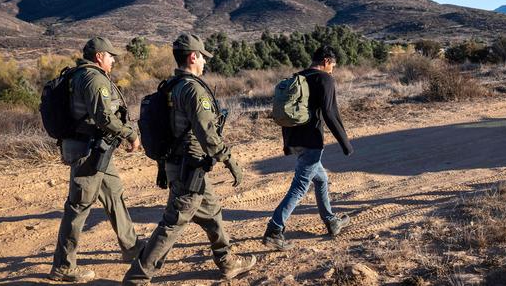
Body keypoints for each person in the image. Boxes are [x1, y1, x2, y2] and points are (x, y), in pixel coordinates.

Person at [123, 33, 256, 285]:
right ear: (192, 56)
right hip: (189, 166)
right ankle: (137, 277)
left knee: (212, 213)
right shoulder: (193, 89)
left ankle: (227, 262)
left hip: (181, 164)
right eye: (203, 57)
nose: (205, 62)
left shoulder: (171, 86)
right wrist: (230, 161)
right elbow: (207, 134)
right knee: (174, 222)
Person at [49, 37, 144, 283]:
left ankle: (132, 247)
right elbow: (104, 118)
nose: (113, 60)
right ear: (100, 56)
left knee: (113, 192)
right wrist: (131, 135)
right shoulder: (92, 78)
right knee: (79, 206)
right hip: (86, 151)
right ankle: (63, 266)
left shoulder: (81, 75)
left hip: (96, 150)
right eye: (111, 55)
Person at [263, 45, 354, 250]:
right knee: (300, 186)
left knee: (321, 179)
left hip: (294, 138)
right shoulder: (325, 79)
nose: (333, 70)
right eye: (333, 65)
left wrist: (288, 143)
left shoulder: (299, 77)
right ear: (326, 61)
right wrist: (345, 143)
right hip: (311, 140)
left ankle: (331, 221)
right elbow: (330, 113)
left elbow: (288, 111)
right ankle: (274, 230)